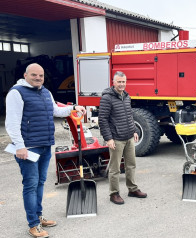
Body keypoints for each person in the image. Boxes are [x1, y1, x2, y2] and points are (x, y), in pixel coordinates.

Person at [5, 63, 86, 238]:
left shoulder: (45, 92)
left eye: (41, 76)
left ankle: (38, 216)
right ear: (25, 75)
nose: (38, 78)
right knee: (31, 184)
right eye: (34, 75)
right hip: (28, 148)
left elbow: (55, 111)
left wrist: (73, 108)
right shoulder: (16, 93)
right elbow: (11, 123)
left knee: (40, 183)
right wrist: (19, 146)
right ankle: (33, 224)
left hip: (44, 145)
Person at [98, 71, 147, 205]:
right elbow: (102, 119)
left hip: (129, 137)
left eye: (123, 82)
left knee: (131, 165)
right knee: (115, 169)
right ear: (113, 82)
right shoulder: (107, 98)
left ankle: (132, 189)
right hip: (116, 138)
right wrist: (109, 139)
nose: (121, 84)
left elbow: (129, 115)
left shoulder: (126, 96)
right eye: (119, 82)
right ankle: (114, 193)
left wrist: (134, 130)